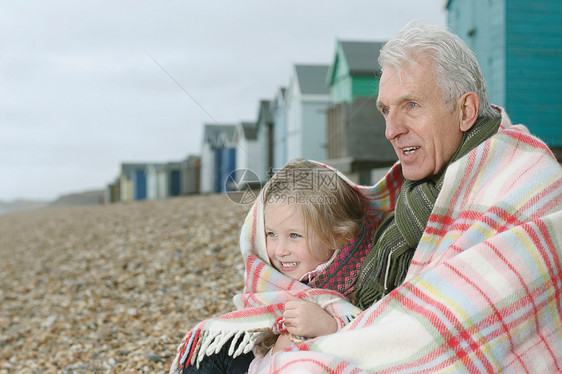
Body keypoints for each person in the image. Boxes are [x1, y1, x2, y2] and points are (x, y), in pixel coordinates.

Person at [255, 21, 562, 372]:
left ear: (465, 111)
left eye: (411, 105)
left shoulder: (526, 186)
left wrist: (321, 339)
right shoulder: (421, 189)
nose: (390, 130)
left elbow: (441, 335)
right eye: (385, 109)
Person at [170, 159, 376, 373]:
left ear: (338, 237)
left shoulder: (362, 277)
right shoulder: (274, 279)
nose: (279, 250)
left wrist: (329, 327)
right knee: (208, 348)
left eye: (294, 235)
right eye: (271, 234)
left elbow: (373, 342)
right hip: (268, 358)